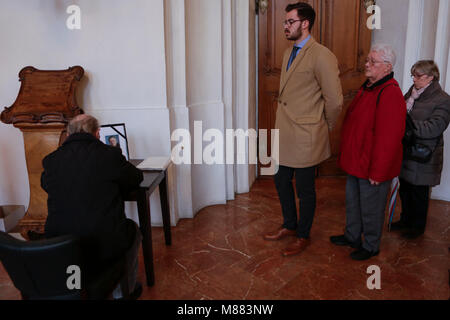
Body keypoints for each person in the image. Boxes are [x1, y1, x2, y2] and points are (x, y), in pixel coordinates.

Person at [263, 2, 343, 257]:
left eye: (290, 22)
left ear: (305, 23)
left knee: (305, 189)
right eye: (285, 22)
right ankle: (289, 224)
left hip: (307, 134)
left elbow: (335, 100)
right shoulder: (288, 53)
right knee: (280, 179)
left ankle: (303, 235)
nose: (285, 26)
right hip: (286, 131)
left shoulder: (322, 55)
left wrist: (325, 126)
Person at [41, 114, 144, 299]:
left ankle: (73, 284)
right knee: (133, 230)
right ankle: (123, 293)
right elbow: (136, 178)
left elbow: (45, 184)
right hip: (103, 243)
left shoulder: (52, 160)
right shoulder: (110, 155)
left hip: (60, 244)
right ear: (97, 133)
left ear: (68, 134)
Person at [330, 44, 406, 260]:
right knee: (353, 203)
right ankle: (352, 236)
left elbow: (389, 139)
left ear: (387, 67)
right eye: (367, 60)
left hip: (372, 166)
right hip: (357, 161)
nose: (367, 64)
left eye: (373, 61)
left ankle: (371, 245)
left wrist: (379, 172)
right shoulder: (369, 87)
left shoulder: (390, 92)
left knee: (372, 209)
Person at [391, 60, 450, 239]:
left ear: (431, 77)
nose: (414, 79)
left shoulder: (443, 99)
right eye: (413, 75)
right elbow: (399, 111)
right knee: (406, 189)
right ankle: (405, 221)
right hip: (408, 151)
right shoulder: (413, 93)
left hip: (425, 155)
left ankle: (416, 228)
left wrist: (406, 126)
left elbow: (434, 127)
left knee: (419, 193)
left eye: (418, 76)